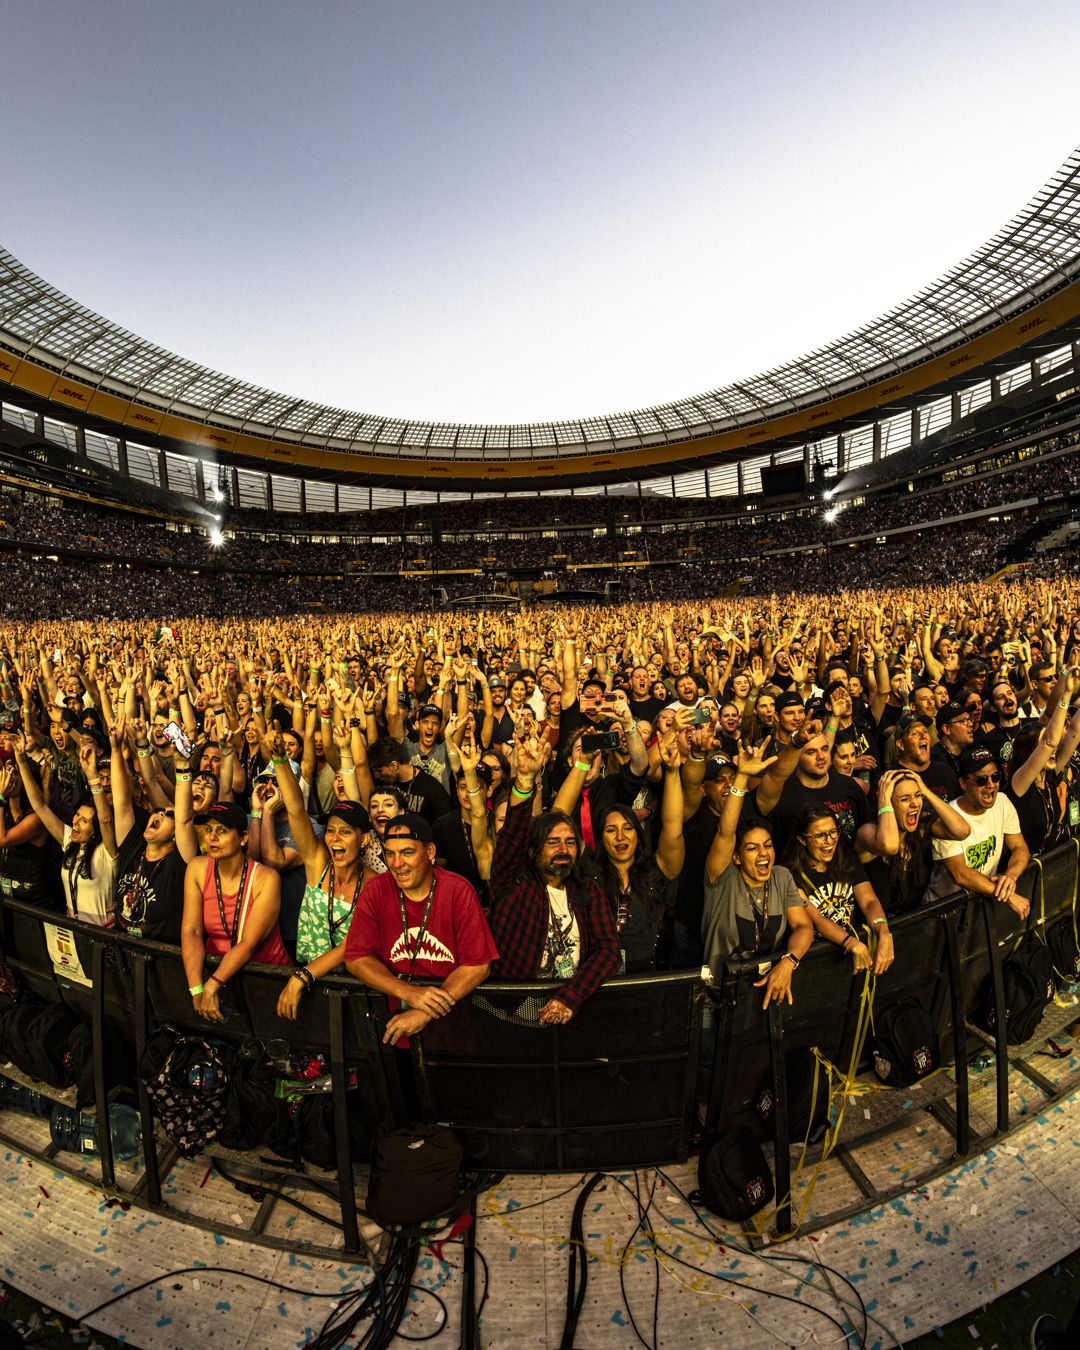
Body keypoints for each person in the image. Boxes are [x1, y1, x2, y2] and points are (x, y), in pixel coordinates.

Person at [487, 734, 621, 1024]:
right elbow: (511, 838)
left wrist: (570, 997)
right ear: (534, 851)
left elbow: (609, 952)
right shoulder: (514, 881)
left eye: (570, 842)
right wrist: (524, 781)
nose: (563, 849)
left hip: (571, 1011)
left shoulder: (587, 889)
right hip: (511, 1015)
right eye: (553, 842)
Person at [343, 813, 498, 1046]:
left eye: (407, 852)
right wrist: (409, 992)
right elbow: (357, 958)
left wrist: (424, 1012)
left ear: (430, 852)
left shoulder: (457, 890)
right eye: (390, 854)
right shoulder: (375, 890)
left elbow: (478, 965)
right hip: (394, 1029)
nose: (397, 864)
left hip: (452, 1033)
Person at [262, 729, 378, 1019]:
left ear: (363, 839)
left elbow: (356, 942)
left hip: (354, 987)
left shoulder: (374, 885)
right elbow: (297, 811)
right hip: (308, 982)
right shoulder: (317, 864)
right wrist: (279, 760)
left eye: (346, 832)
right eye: (332, 831)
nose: (335, 838)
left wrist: (303, 976)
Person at [701, 743, 814, 1008]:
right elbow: (726, 833)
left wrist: (789, 962)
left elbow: (804, 927)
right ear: (737, 857)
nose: (763, 853)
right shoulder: (723, 879)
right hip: (717, 1001)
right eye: (752, 848)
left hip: (765, 993)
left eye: (768, 845)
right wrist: (741, 778)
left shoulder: (781, 877)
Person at [565, 730, 686, 972]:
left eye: (628, 828)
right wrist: (582, 764)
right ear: (601, 838)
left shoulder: (656, 870)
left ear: (638, 834)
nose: (620, 837)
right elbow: (559, 817)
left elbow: (673, 830)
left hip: (648, 985)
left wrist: (672, 772)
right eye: (611, 830)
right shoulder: (591, 871)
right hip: (599, 983)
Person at [182, 801, 290, 1023]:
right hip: (218, 975)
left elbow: (248, 944)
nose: (212, 837)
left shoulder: (266, 879)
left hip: (266, 979)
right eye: (208, 830)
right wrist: (196, 988)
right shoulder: (197, 868)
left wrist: (211, 986)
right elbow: (191, 931)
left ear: (243, 838)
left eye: (222, 830)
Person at [111, 717, 199, 942]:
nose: (160, 814)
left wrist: (182, 767)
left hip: (159, 964)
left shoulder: (180, 863)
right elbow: (121, 803)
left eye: (168, 815)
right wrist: (115, 749)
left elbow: (185, 820)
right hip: (123, 958)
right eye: (158, 812)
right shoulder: (135, 848)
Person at [14, 735, 117, 924]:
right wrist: (21, 761)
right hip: (73, 931)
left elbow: (106, 819)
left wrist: (92, 776)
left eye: (84, 821)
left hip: (101, 936)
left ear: (95, 830)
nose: (76, 822)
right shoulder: (70, 841)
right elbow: (40, 807)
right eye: (77, 816)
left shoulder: (107, 851)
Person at [785, 805, 893, 975]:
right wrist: (851, 943)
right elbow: (817, 919)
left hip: (853, 954)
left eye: (833, 832)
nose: (829, 840)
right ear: (802, 839)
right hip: (818, 962)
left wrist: (883, 930)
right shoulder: (791, 875)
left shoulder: (847, 857)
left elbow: (869, 900)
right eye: (820, 835)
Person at [923, 747, 1031, 915]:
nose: (991, 785)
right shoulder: (950, 819)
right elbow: (960, 874)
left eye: (996, 777)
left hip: (978, 903)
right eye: (982, 780)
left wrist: (1010, 877)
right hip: (943, 912)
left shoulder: (1002, 802)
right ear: (963, 783)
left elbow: (1020, 848)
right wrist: (1008, 896)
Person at [857, 768, 971, 916]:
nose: (915, 804)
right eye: (904, 799)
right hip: (877, 932)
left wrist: (925, 791)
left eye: (917, 796)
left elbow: (962, 831)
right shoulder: (867, 831)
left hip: (915, 929)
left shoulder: (921, 828)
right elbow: (890, 846)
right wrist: (884, 796)